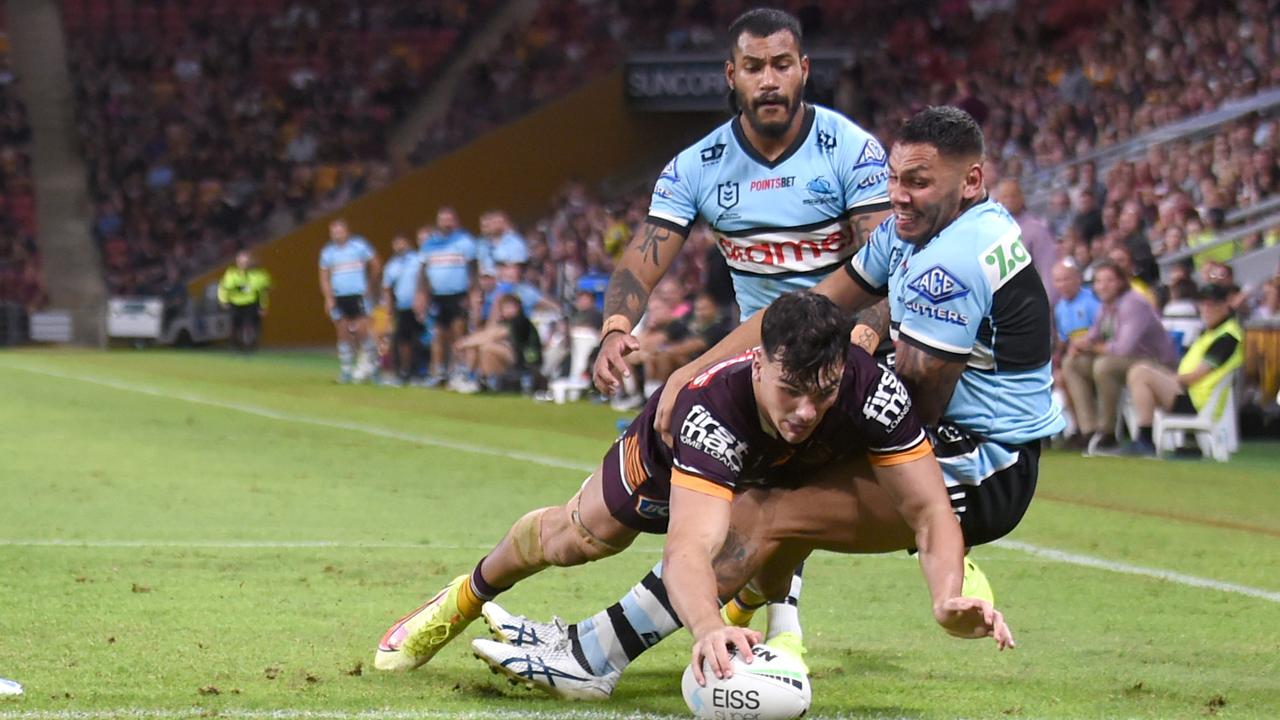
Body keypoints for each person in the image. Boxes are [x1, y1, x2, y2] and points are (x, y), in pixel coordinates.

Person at [474, 107, 1044, 701]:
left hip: (982, 463)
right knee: (769, 493)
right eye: (895, 178)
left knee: (766, 509)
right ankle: (667, 637)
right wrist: (695, 372)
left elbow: (916, 406)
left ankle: (593, 655)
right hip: (961, 438)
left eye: (918, 183)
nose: (897, 196)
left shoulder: (946, 265)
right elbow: (810, 307)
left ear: (971, 181)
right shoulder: (934, 231)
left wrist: (806, 420)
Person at [375, 293, 1008, 690]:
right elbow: (687, 551)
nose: (807, 410)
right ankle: (464, 596)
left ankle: (678, 635)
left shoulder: (871, 391)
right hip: (670, 453)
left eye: (823, 393)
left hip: (779, 473)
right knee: (573, 539)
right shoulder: (711, 411)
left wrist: (945, 598)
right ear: (759, 364)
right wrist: (703, 626)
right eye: (792, 391)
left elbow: (928, 510)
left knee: (776, 519)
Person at [589, 6, 894, 640]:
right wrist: (617, 326)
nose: (770, 79)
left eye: (782, 64)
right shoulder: (697, 166)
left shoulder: (853, 151)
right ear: (732, 75)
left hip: (841, 357)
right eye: (754, 67)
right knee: (646, 508)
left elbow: (887, 267)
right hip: (752, 358)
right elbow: (644, 261)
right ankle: (754, 620)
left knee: (770, 509)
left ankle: (619, 647)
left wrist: (858, 349)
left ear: (804, 70)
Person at [1061, 260, 1176, 455]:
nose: (1102, 286)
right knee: (1072, 363)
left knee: (1105, 366)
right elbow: (1094, 335)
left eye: (1109, 281)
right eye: (1098, 281)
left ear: (1122, 282)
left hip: (1153, 364)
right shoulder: (1107, 305)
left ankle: (1108, 433)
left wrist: (1090, 346)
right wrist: (1079, 345)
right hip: (1127, 362)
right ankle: (1088, 429)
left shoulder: (1133, 303)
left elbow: (1123, 348)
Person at [1122, 283, 1245, 456]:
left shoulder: (1228, 336)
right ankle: (1144, 438)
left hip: (1196, 400)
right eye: (1203, 304)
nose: (1205, 310)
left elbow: (1197, 376)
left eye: (1211, 305)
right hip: (1188, 394)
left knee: (1140, 373)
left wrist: (1171, 379)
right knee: (1141, 370)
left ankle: (1145, 439)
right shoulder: (1211, 332)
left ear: (1225, 306)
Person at [416, 208, 477, 385]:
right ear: (438, 221)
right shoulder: (429, 244)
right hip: (437, 296)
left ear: (455, 221)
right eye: (443, 219)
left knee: (458, 333)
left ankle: (460, 370)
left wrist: (472, 292)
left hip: (458, 295)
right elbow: (423, 272)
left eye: (449, 219)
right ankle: (439, 372)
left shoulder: (465, 241)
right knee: (438, 334)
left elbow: (474, 269)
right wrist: (421, 294)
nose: (446, 222)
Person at [319, 218, 381, 383]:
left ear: (347, 231)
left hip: (357, 295)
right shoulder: (328, 252)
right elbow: (324, 277)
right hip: (339, 296)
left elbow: (376, 264)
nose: (337, 234)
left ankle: (373, 369)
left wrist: (369, 285)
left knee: (363, 332)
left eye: (339, 230)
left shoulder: (359, 246)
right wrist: (328, 298)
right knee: (342, 333)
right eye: (334, 231)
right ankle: (346, 371)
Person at [449, 293, 543, 394]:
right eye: (505, 307)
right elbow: (487, 332)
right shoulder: (505, 321)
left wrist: (463, 343)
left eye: (510, 307)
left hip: (526, 360)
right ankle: (470, 377)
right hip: (512, 357)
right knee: (478, 347)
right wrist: (466, 342)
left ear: (518, 307)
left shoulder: (520, 321)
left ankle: (486, 380)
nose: (507, 310)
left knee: (487, 347)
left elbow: (494, 335)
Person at [381, 232, 424, 385]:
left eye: (402, 243)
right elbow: (387, 288)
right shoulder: (392, 265)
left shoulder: (418, 259)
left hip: (419, 306)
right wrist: (389, 308)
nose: (400, 246)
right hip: (402, 306)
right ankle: (405, 370)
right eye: (396, 243)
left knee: (421, 339)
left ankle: (421, 371)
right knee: (403, 339)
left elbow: (425, 280)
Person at [217, 249, 271, 352]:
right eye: (242, 261)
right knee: (234, 326)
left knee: (250, 325)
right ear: (237, 262)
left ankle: (250, 346)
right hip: (235, 303)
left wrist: (263, 306)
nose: (244, 264)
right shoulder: (231, 274)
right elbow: (224, 288)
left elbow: (263, 292)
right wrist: (223, 300)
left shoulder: (258, 275)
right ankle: (234, 346)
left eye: (246, 261)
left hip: (251, 303)